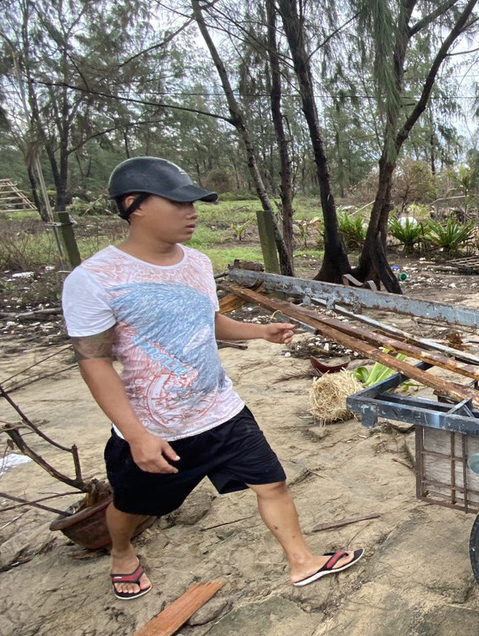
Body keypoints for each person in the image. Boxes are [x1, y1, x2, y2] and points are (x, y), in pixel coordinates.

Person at [61, 156, 362, 600]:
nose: (192, 212)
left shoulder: (198, 263)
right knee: (133, 506)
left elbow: (209, 322)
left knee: (272, 482)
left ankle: (302, 562)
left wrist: (260, 331)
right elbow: (94, 363)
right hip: (155, 428)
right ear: (134, 205)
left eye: (194, 202)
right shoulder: (94, 280)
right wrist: (136, 435)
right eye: (179, 202)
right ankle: (121, 553)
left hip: (220, 410)